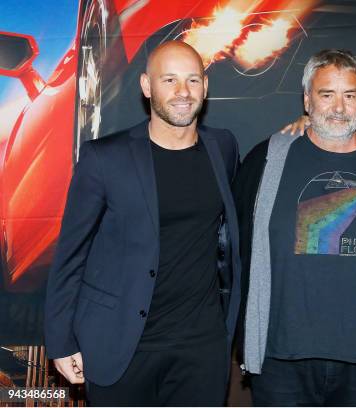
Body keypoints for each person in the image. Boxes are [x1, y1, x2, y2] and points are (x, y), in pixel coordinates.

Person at [44, 41, 241, 406]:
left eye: (193, 80)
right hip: (122, 343)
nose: (183, 92)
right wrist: (60, 340)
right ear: (147, 86)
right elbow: (71, 256)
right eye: (169, 80)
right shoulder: (104, 158)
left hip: (201, 347)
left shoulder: (223, 148)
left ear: (206, 87)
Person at [234, 49, 356, 406]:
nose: (338, 107)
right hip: (280, 357)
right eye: (326, 94)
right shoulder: (267, 158)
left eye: (350, 95)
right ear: (306, 99)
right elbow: (231, 245)